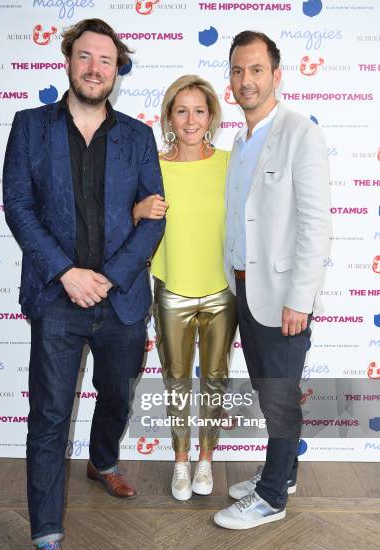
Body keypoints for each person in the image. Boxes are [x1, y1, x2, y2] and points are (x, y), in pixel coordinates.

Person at [3, 18, 165, 550]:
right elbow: (18, 207)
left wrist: (112, 277)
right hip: (56, 296)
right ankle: (48, 540)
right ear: (69, 62)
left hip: (121, 300)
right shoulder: (28, 128)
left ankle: (102, 460)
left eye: (106, 59)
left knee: (118, 394)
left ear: (117, 68)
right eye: (85, 57)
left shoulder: (139, 137)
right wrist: (68, 274)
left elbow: (154, 215)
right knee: (48, 417)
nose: (95, 68)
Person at [213, 31, 331, 530]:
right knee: (270, 391)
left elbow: (315, 224)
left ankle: (270, 499)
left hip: (284, 296)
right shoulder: (239, 141)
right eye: (238, 71)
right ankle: (283, 474)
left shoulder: (300, 133)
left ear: (277, 76)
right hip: (244, 289)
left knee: (280, 396)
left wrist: (299, 299)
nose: (246, 80)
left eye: (256, 70)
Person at [133, 75, 237, 501]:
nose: (191, 120)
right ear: (169, 119)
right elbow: (123, 216)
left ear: (211, 115)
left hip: (222, 290)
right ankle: (180, 461)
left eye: (199, 110)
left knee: (215, 380)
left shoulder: (232, 162)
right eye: (182, 111)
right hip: (172, 288)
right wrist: (138, 209)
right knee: (176, 379)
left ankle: (205, 461)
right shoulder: (152, 166)